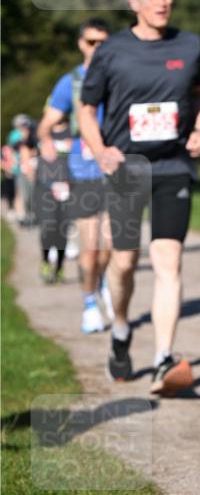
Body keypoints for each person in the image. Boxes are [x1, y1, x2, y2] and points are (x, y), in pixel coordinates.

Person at [79, 0, 200, 396]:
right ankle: (120, 328)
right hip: (127, 168)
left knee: (169, 262)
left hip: (173, 167)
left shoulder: (190, 46)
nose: (163, 2)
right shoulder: (112, 51)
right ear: (134, 2)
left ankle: (162, 359)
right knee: (123, 263)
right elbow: (86, 110)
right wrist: (101, 150)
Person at [37, 19, 113, 331]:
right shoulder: (70, 82)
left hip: (116, 170)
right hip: (84, 172)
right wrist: (45, 142)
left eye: (103, 43)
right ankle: (89, 303)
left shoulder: (120, 76)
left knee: (111, 248)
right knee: (90, 246)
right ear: (81, 44)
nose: (97, 48)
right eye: (92, 42)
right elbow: (46, 124)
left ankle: (101, 280)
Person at [34, 118, 71, 284]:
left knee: (62, 236)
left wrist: (66, 184)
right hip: (45, 204)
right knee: (47, 233)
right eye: (45, 145)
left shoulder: (64, 161)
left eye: (51, 145)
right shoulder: (39, 163)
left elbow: (72, 179)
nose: (49, 147)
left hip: (63, 204)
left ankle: (59, 268)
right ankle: (45, 262)